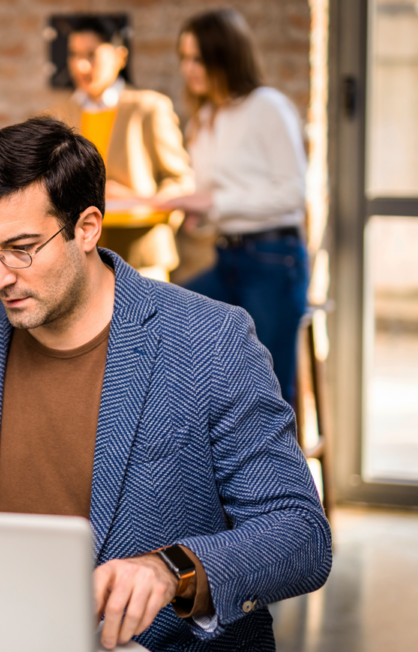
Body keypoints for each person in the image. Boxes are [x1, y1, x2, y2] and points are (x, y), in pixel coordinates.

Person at [0, 116, 331, 652]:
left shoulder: (210, 340)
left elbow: (298, 531)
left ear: (87, 228)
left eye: (20, 249)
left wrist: (172, 571)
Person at [158, 9, 309, 407]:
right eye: (185, 58)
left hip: (274, 261)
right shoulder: (204, 119)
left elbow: (292, 194)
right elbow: (218, 201)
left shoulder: (267, 107)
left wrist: (212, 203)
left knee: (269, 391)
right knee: (163, 324)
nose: (190, 69)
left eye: (200, 58)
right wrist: (200, 214)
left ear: (227, 56)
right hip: (228, 257)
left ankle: (275, 471)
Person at [57, 16, 194, 282]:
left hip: (140, 260)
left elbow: (180, 181)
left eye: (91, 54)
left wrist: (139, 200)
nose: (80, 65)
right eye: (74, 55)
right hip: (81, 265)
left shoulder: (149, 108)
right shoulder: (61, 114)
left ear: (120, 57)